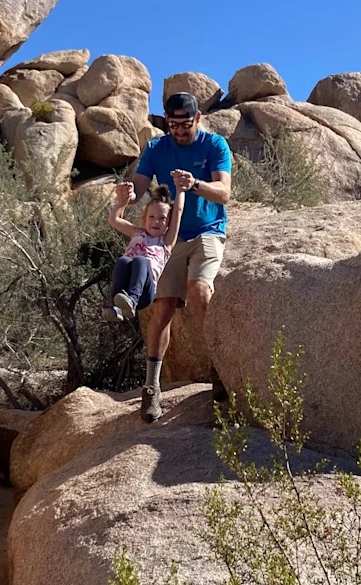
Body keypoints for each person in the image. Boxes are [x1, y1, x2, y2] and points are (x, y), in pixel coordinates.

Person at [129, 91, 232, 422]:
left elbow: (224, 192)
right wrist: (128, 191)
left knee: (200, 290)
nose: (179, 132)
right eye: (173, 125)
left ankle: (221, 371)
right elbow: (140, 181)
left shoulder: (215, 146)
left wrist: (195, 184)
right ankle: (151, 387)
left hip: (208, 230)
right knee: (163, 307)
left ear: (198, 119)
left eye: (185, 125)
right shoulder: (157, 148)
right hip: (170, 237)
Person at [103, 178, 186, 323]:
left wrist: (180, 191)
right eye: (152, 217)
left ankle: (132, 302)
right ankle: (116, 307)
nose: (156, 222)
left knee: (140, 261)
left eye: (162, 218)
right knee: (123, 260)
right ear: (144, 219)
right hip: (126, 285)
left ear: (168, 223)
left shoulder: (166, 242)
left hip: (145, 293)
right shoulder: (137, 233)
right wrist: (123, 203)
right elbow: (114, 220)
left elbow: (178, 212)